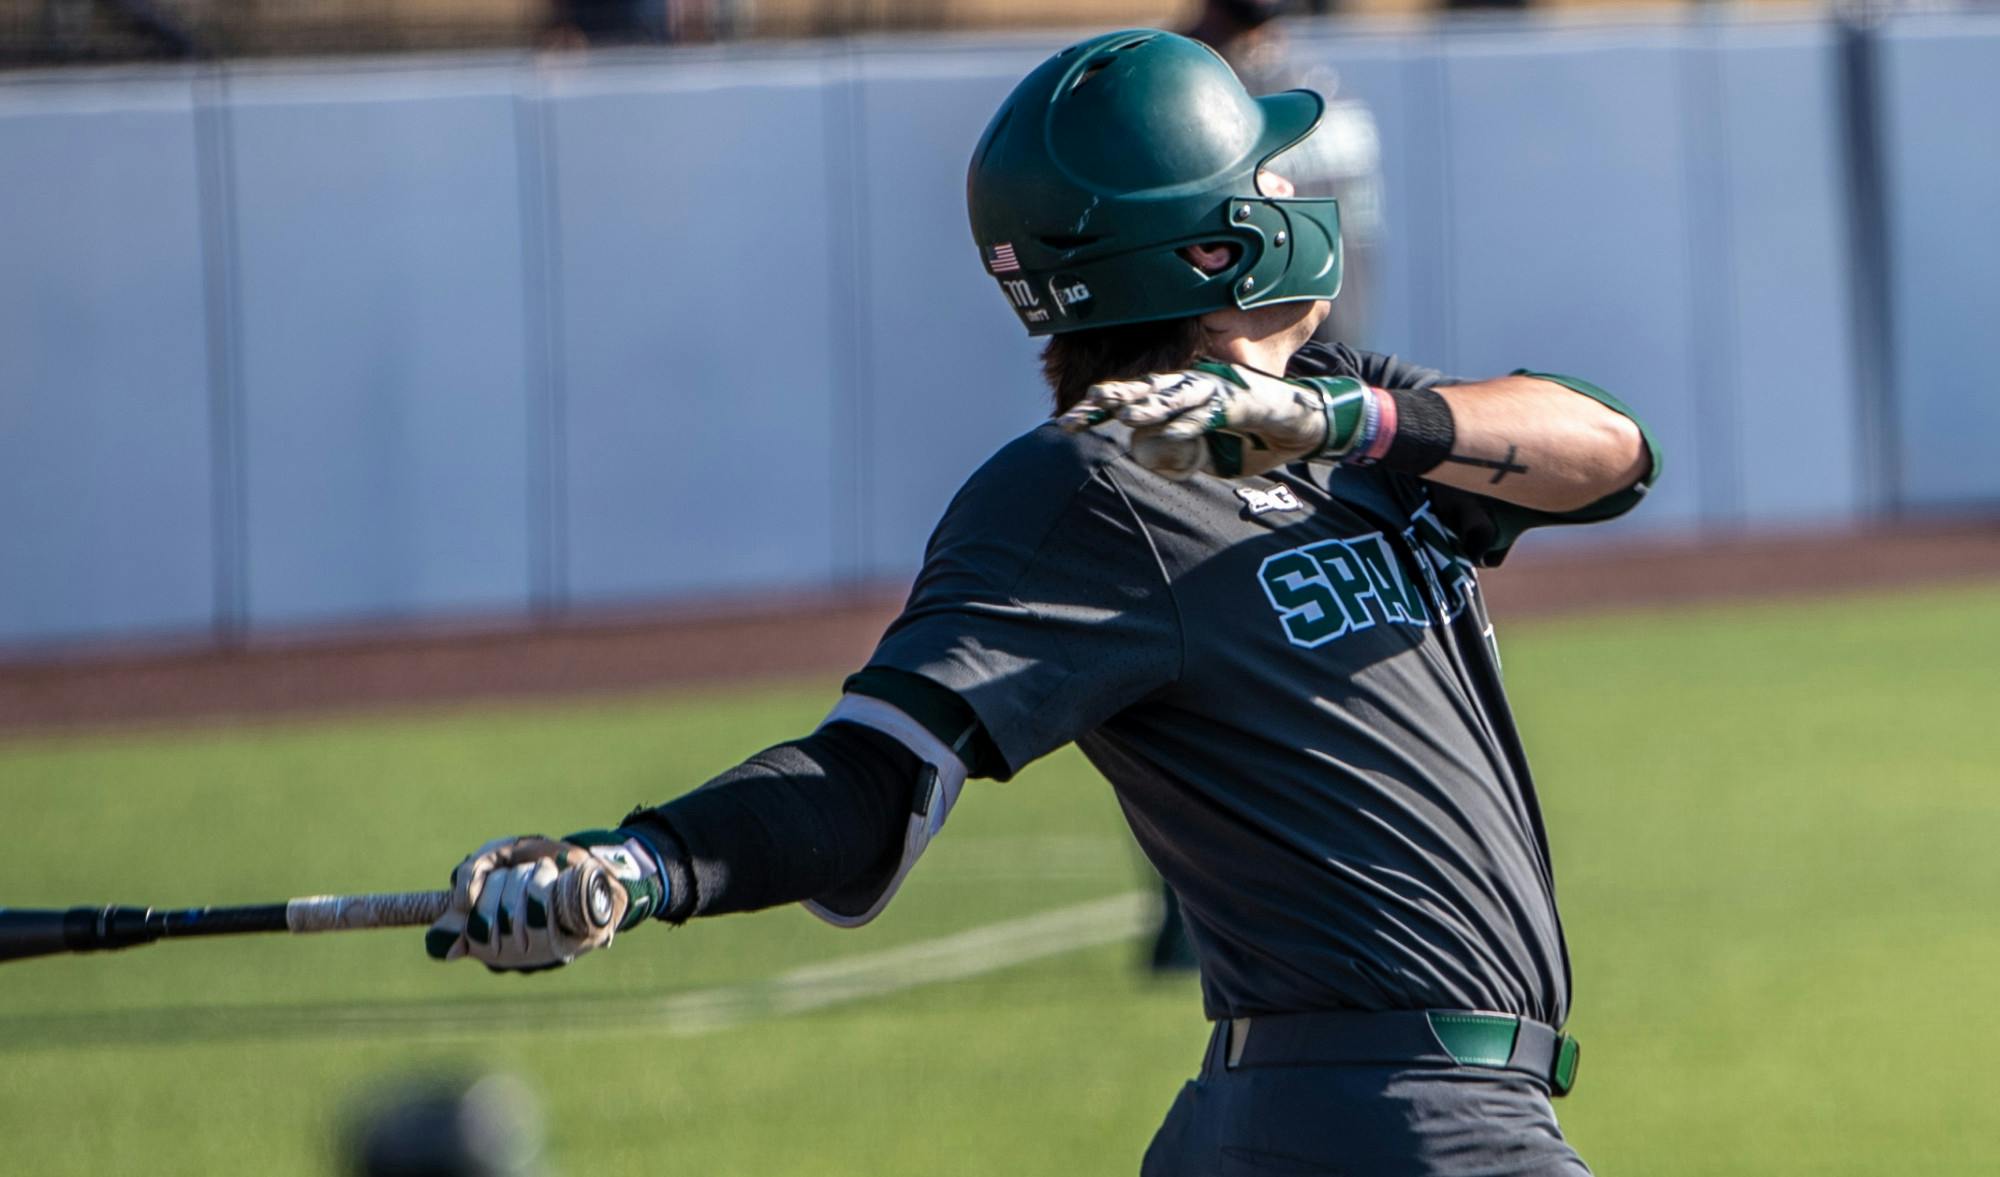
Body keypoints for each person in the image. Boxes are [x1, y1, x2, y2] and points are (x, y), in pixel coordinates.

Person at [425, 29, 1658, 1176]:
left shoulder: (1353, 404)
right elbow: (871, 777)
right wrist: (637, 863)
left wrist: (1341, 418)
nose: (1301, 197)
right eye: (1268, 180)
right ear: (1217, 245)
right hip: (1384, 1118)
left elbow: (1608, 450)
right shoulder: (1081, 485)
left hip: (1367, 1116)